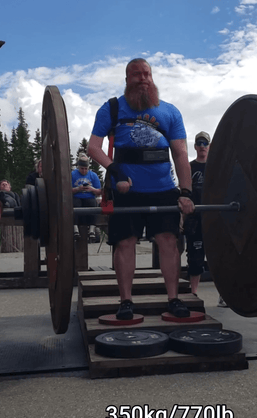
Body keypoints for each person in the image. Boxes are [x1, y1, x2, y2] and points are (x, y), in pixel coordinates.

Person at [87, 58, 195, 320]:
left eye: (147, 74)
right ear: (127, 79)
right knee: (125, 244)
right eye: (136, 75)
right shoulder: (111, 109)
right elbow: (93, 147)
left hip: (163, 188)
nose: (143, 78)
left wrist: (186, 192)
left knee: (168, 242)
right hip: (126, 191)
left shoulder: (170, 112)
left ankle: (173, 299)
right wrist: (115, 170)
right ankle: (126, 302)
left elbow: (180, 154)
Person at [184, 132, 228, 308]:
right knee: (194, 258)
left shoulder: (217, 168)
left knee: (218, 259)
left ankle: (223, 295)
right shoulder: (188, 167)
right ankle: (193, 294)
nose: (202, 146)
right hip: (194, 219)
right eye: (199, 143)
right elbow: (183, 193)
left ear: (209, 146)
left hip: (214, 218)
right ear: (195, 146)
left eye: (205, 143)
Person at [72, 153, 102, 242]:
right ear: (78, 167)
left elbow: (99, 191)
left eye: (86, 168)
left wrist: (92, 189)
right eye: (82, 168)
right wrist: (78, 189)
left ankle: (92, 230)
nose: (84, 171)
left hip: (89, 197)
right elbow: (67, 190)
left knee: (93, 205)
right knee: (75, 205)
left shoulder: (93, 175)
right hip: (77, 196)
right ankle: (75, 229)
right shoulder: (72, 174)